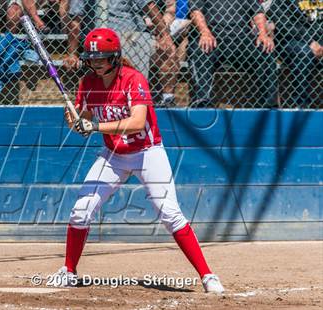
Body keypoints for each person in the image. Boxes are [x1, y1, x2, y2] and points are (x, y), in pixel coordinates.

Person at [50, 28, 225, 294]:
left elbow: (137, 122)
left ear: (115, 57)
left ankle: (207, 275)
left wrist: (94, 126)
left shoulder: (133, 79)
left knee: (170, 214)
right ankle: (69, 271)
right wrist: (74, 121)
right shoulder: (88, 83)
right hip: (113, 156)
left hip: (147, 152)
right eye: (92, 58)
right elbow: (83, 122)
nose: (96, 63)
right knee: (80, 210)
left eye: (102, 58)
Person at [64, 0, 177, 107]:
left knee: (167, 52)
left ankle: (167, 99)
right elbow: (75, 20)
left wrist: (165, 35)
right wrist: (72, 53)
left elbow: (147, 4)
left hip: (133, 34)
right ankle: (131, 103)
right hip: (105, 38)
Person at [188, 0, 278, 107]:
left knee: (265, 50)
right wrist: (205, 32)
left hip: (242, 37)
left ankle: (269, 105)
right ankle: (202, 103)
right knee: (199, 50)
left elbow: (258, 12)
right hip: (213, 35)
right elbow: (195, 12)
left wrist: (263, 34)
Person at [269, 0, 322, 107]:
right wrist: (310, 41)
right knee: (304, 53)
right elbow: (284, 25)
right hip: (290, 41)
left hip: (318, 40)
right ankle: (301, 106)